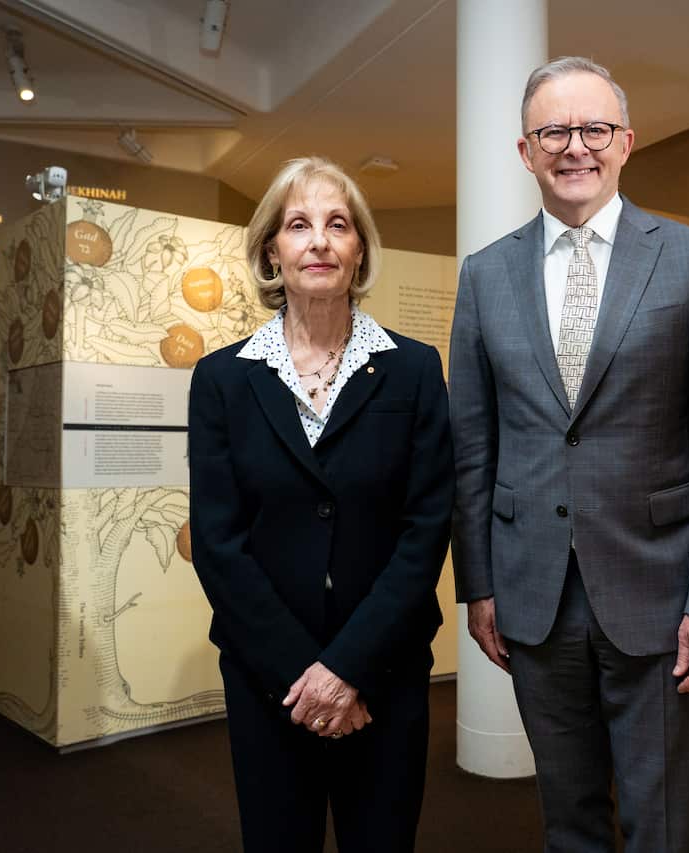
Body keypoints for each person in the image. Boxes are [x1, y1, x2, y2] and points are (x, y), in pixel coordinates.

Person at [449, 57, 689, 852]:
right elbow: (473, 444)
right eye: (553, 131)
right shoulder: (485, 275)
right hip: (533, 596)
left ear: (626, 142)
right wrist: (478, 584)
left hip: (664, 595)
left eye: (593, 128)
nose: (574, 147)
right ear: (526, 151)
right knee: (569, 821)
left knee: (663, 824)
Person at [188, 156, 452, 852]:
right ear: (272, 250)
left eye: (338, 224)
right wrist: (304, 676)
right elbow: (218, 542)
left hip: (384, 674)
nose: (319, 241)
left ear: (359, 249)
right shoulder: (222, 380)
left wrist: (348, 668)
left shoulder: (413, 368)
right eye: (298, 225)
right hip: (268, 678)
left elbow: (425, 528)